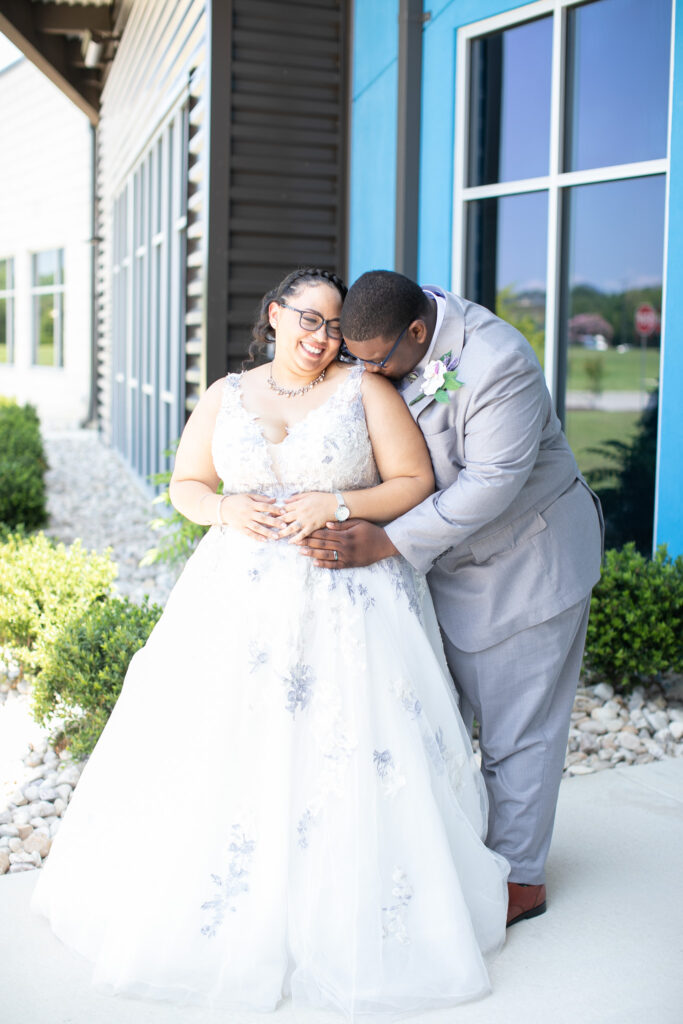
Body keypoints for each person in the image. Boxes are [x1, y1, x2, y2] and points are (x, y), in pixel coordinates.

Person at [31, 267, 509, 1018]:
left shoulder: (366, 391)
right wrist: (222, 508)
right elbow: (186, 483)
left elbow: (413, 479)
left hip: (346, 593)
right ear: (274, 315)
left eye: (332, 327)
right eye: (308, 321)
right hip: (233, 599)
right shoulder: (227, 394)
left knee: (345, 752)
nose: (321, 339)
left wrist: (339, 499)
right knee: (223, 745)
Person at [300, 270, 603, 927]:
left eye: (374, 361)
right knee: (428, 722)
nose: (364, 372)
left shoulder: (497, 365)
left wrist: (383, 543)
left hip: (525, 559)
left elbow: (490, 484)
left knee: (516, 731)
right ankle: (450, 859)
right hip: (440, 566)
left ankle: (520, 881)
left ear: (417, 333)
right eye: (354, 358)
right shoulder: (389, 335)